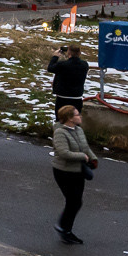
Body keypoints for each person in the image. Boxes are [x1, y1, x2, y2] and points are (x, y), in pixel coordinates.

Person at [51, 105, 98, 244]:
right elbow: (63, 153)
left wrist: (93, 158)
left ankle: (66, 229)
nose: (80, 116)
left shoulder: (79, 130)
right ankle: (64, 228)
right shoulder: (60, 133)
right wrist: (83, 156)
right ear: (70, 118)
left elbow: (85, 147)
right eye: (77, 115)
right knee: (74, 201)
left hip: (77, 172)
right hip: (64, 172)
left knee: (76, 202)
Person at [46, 44, 89, 119]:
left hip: (63, 96)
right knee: (75, 119)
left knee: (61, 119)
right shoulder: (84, 65)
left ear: (68, 53)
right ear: (79, 53)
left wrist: (55, 56)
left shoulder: (63, 65)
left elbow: (50, 68)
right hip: (77, 97)